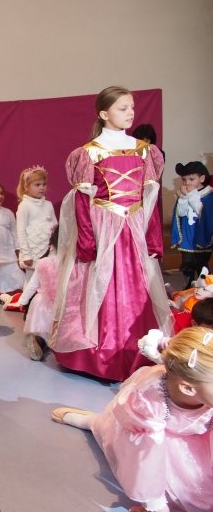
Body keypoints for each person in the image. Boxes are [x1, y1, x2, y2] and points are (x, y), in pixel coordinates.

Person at [51, 85, 172, 382]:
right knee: (101, 285)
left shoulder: (145, 151)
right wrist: (87, 241)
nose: (130, 113)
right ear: (104, 114)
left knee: (137, 287)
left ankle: (137, 348)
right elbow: (82, 201)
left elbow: (150, 198)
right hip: (104, 228)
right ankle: (102, 352)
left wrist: (153, 237)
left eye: (132, 107)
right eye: (122, 108)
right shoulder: (88, 153)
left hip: (134, 228)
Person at [52, 327, 213, 512]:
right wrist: (154, 501)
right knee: (111, 432)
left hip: (195, 435)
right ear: (188, 388)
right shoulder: (150, 397)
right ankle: (94, 422)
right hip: (149, 434)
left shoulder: (205, 393)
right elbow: (146, 450)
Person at [6, 227, 59, 361]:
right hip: (60, 304)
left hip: (41, 302)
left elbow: (32, 285)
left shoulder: (43, 262)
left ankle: (38, 341)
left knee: (42, 330)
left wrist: (22, 301)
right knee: (57, 332)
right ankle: (54, 345)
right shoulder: (69, 263)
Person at [171, 161, 213, 288]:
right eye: (184, 180)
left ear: (202, 178)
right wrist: (184, 198)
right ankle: (188, 286)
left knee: (201, 263)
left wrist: (192, 195)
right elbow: (181, 213)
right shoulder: (183, 194)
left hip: (201, 236)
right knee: (187, 263)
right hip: (187, 236)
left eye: (191, 179)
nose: (187, 183)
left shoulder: (209, 195)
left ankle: (204, 287)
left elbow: (202, 212)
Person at [15, 166, 56, 285]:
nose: (42, 188)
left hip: (48, 250)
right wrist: (26, 254)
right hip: (32, 252)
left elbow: (55, 227)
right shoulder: (24, 205)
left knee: (49, 279)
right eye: (37, 185)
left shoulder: (48, 205)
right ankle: (27, 297)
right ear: (26, 187)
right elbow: (21, 231)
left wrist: (55, 248)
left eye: (44, 184)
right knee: (31, 281)